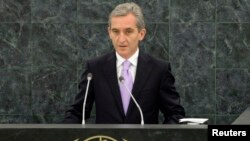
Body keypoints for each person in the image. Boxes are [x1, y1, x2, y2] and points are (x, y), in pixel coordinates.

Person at [63, 2, 185, 124]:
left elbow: (174, 114)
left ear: (141, 34)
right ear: (109, 33)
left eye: (128, 31)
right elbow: (77, 112)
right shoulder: (95, 68)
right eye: (116, 31)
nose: (121, 39)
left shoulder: (158, 69)